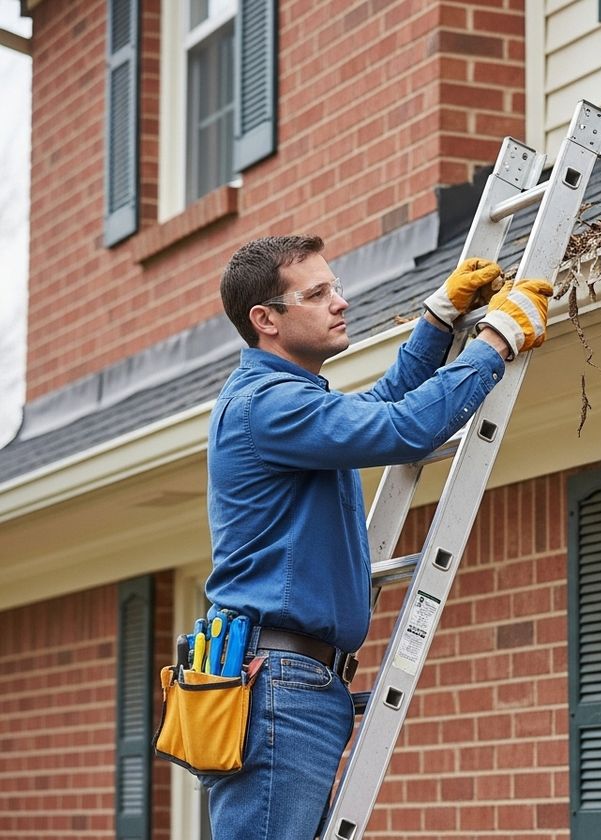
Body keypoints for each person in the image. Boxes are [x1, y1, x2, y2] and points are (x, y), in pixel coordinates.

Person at [200, 234, 551, 839]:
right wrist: (496, 340)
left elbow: (382, 407)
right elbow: (404, 428)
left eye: (335, 287)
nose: (340, 302)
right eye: (317, 294)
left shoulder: (287, 403)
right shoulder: (268, 407)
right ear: (266, 320)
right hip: (280, 682)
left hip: (289, 680)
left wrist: (436, 325)